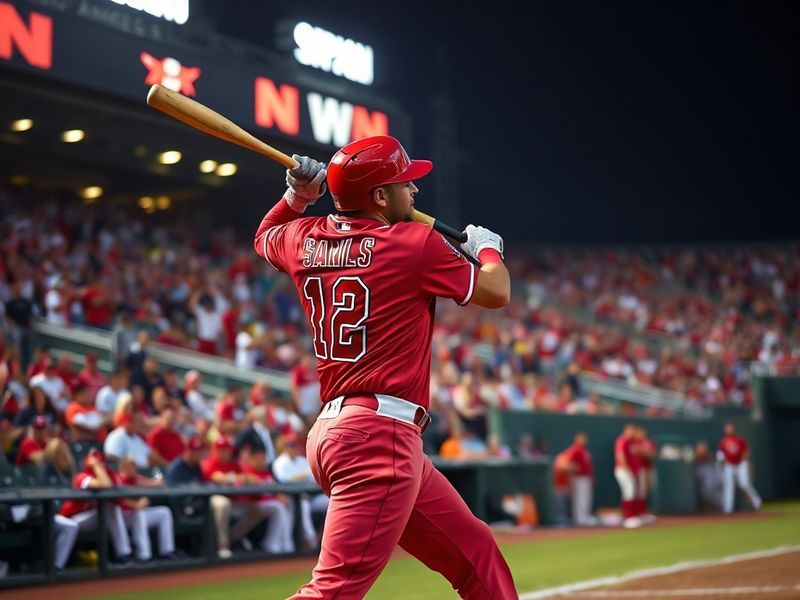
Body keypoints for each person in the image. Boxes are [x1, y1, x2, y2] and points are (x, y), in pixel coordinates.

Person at [253, 136, 516, 598]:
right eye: (404, 183)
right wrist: (488, 249)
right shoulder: (414, 243)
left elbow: (265, 236)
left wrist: (296, 198)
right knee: (332, 591)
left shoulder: (305, 238)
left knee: (476, 549)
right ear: (378, 197)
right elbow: (496, 292)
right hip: (378, 439)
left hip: (346, 432)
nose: (413, 192)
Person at [58, 449, 136, 565]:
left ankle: (123, 554)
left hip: (89, 519)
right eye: (95, 461)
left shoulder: (108, 476)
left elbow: (112, 487)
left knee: (111, 508)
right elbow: (105, 485)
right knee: (109, 509)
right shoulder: (82, 477)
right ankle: (123, 553)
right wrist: (97, 466)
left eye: (100, 462)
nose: (98, 463)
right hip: (71, 518)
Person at [165, 437, 236, 559]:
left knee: (222, 505)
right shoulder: (177, 468)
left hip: (200, 502)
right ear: (188, 451)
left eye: (200, 451)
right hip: (184, 508)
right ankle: (222, 546)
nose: (199, 454)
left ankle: (218, 544)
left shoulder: (196, 466)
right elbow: (174, 494)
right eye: (196, 451)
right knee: (221, 504)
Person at [116, 455, 179, 562]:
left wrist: (157, 473)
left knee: (164, 512)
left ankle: (166, 551)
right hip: (120, 518)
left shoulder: (136, 478)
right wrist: (136, 505)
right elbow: (118, 501)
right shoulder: (118, 479)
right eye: (132, 465)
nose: (135, 467)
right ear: (123, 466)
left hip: (134, 516)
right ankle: (144, 555)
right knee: (138, 513)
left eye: (135, 465)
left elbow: (159, 482)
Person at [272, 433, 328, 549]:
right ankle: (311, 540)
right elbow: (284, 481)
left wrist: (302, 476)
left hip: (310, 497)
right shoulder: (280, 462)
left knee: (331, 502)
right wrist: (303, 475)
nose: (293, 448)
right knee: (303, 506)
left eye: (295, 445)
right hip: (292, 499)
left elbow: (315, 479)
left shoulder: (303, 460)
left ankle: (322, 537)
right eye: (290, 446)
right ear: (285, 447)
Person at [240, 447, 295, 554]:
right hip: (252, 505)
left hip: (269, 504)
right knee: (278, 507)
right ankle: (272, 542)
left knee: (289, 503)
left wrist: (279, 495)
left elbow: (275, 489)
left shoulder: (266, 472)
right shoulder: (247, 472)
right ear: (250, 459)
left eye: (263, 458)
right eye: (258, 458)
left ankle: (285, 541)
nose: (262, 460)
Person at [718, 423, 761, 514]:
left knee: (744, 484)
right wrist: (723, 461)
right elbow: (721, 455)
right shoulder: (723, 442)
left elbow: (745, 452)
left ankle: (756, 501)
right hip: (729, 465)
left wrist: (741, 461)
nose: (729, 430)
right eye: (727, 429)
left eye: (730, 428)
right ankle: (727, 509)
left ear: (734, 429)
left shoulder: (739, 440)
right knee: (728, 486)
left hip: (741, 464)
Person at [561, 432, 595, 526]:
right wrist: (575, 468)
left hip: (586, 477)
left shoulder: (584, 450)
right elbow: (565, 463)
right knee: (580, 499)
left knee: (586, 498)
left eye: (584, 438)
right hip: (578, 478)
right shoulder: (575, 449)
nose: (584, 440)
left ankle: (585, 517)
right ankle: (580, 519)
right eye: (582, 438)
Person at [614, 423, 642, 528]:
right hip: (623, 470)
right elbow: (620, 455)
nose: (631, 432)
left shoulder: (632, 442)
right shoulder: (622, 440)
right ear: (625, 430)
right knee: (628, 492)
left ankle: (631, 516)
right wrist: (627, 469)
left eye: (633, 430)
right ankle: (628, 518)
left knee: (631, 492)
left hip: (631, 471)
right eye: (629, 430)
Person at [635, 425, 658, 523]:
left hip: (649, 468)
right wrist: (646, 453)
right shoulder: (635, 442)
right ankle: (639, 513)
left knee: (648, 490)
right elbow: (639, 454)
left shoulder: (649, 441)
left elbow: (653, 453)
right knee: (640, 491)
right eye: (640, 432)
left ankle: (643, 513)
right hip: (641, 469)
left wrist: (646, 453)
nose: (642, 434)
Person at [694, 441, 723, 512]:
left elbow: (708, 458)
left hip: (714, 485)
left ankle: (715, 508)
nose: (701, 451)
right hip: (701, 485)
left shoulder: (710, 460)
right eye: (700, 449)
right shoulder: (696, 463)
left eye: (703, 449)